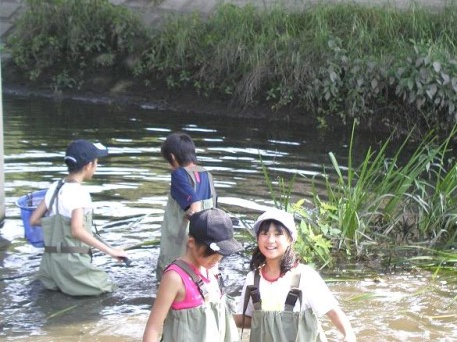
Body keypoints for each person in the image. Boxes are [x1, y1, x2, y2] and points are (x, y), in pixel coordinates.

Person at [234, 208, 357, 342]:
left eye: (277, 234)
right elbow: (250, 320)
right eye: (264, 233)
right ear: (258, 238)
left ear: (290, 239)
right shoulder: (253, 278)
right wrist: (223, 317)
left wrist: (348, 336)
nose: (270, 240)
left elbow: (332, 311)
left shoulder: (305, 276)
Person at [30, 139, 128, 296]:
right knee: (110, 290)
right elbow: (77, 230)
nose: (96, 167)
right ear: (88, 165)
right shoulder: (79, 193)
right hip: (72, 267)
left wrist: (57, 225)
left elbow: (33, 220)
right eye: (96, 162)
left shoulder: (55, 186)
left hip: (50, 267)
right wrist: (111, 252)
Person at [143, 208, 243, 342]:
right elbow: (153, 327)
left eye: (222, 253)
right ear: (191, 242)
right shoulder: (175, 278)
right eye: (212, 253)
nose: (217, 259)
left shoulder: (212, 270)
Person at [156, 132, 217, 280]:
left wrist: (192, 215)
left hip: (181, 240)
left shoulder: (178, 174)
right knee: (198, 278)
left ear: (172, 157)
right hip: (205, 239)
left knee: (170, 274)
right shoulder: (207, 174)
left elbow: (194, 204)